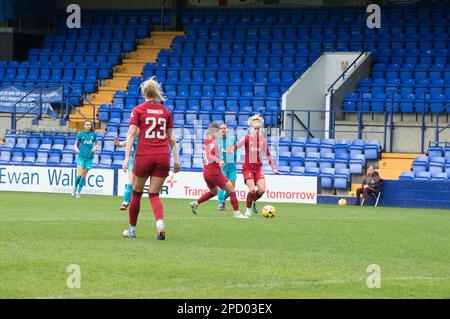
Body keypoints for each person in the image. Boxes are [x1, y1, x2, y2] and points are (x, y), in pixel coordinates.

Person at [122, 77, 180, 240]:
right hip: (162, 157)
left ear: (143, 93)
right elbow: (171, 138)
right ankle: (160, 226)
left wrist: (126, 158)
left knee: (136, 193)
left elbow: (131, 134)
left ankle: (132, 230)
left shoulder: (138, 110)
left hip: (144, 156)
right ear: (156, 93)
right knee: (154, 195)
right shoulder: (165, 112)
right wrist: (176, 160)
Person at [189, 123, 248, 219]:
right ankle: (236, 213)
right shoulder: (213, 142)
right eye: (218, 130)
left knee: (213, 192)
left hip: (206, 172)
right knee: (232, 190)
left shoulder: (207, 141)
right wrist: (219, 160)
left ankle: (195, 203)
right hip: (214, 172)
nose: (220, 132)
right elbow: (211, 155)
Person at [228, 114, 280, 217]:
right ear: (251, 128)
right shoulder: (247, 138)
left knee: (262, 190)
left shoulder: (262, 140)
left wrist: (273, 168)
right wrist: (232, 150)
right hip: (248, 168)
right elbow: (238, 145)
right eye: (255, 128)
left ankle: (252, 201)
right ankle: (248, 210)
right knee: (252, 190)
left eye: (258, 128)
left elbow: (268, 155)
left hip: (258, 169)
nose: (257, 130)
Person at [72, 119, 100, 198]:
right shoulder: (80, 134)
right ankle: (74, 188)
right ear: (84, 126)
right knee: (80, 174)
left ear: (90, 126)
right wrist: (76, 148)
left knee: (84, 176)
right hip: (81, 156)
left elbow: (97, 144)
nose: (88, 126)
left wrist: (95, 148)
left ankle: (78, 192)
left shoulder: (93, 135)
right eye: (87, 125)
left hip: (89, 158)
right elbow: (75, 144)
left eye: (89, 125)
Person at [216, 123, 240, 211]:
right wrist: (218, 161)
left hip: (232, 167)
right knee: (221, 185)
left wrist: (237, 156)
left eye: (224, 128)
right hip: (222, 167)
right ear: (219, 130)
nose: (223, 129)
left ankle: (223, 201)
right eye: (221, 128)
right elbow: (215, 153)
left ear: (227, 129)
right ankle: (220, 204)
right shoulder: (217, 140)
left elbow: (236, 149)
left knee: (232, 187)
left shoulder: (232, 139)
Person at [115, 133, 139, 210]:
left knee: (136, 186)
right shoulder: (134, 136)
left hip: (144, 161)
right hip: (133, 161)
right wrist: (118, 144)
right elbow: (126, 143)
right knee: (131, 181)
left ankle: (132, 203)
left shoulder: (147, 136)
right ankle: (125, 202)